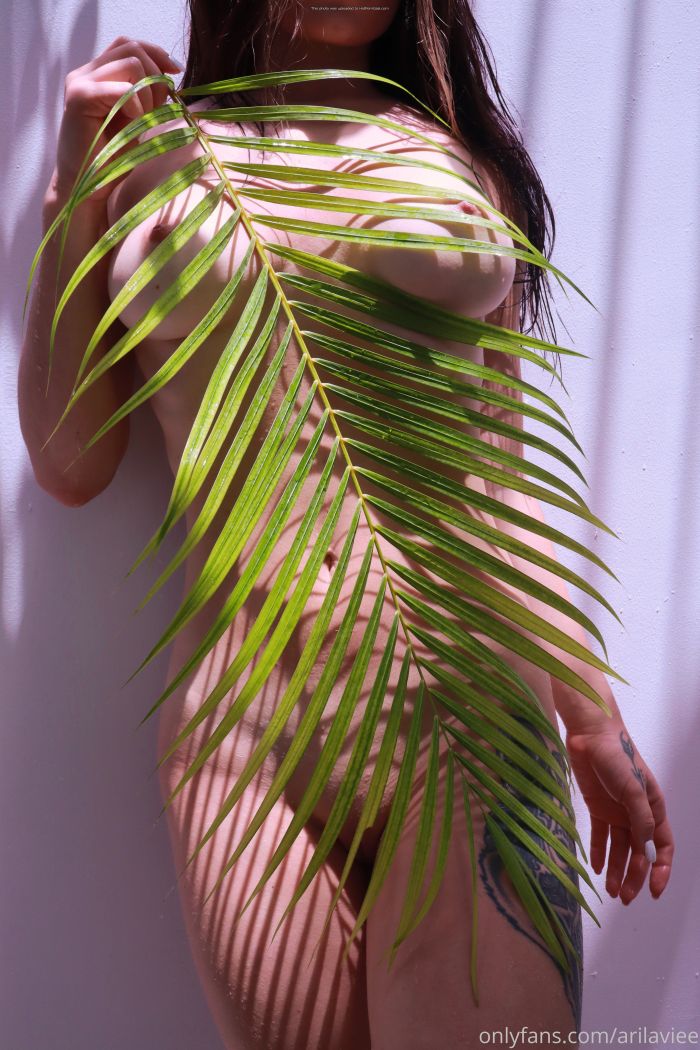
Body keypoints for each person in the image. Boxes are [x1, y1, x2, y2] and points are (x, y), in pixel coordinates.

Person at [18, 2, 675, 1047]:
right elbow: (69, 462)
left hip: (469, 714)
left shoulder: (457, 165)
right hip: (245, 741)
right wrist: (67, 189)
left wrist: (590, 712)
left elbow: (500, 468)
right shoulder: (150, 162)